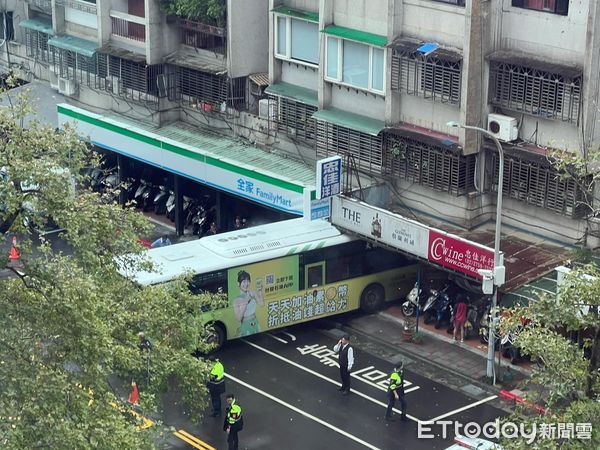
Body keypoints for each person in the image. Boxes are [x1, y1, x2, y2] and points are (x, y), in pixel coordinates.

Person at [233, 270, 264, 337]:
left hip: (255, 322)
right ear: (238, 284)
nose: (246, 284)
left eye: (248, 281)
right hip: (245, 325)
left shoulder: (253, 293)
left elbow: (261, 304)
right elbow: (238, 318)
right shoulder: (236, 300)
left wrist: (260, 291)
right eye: (244, 281)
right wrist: (246, 301)